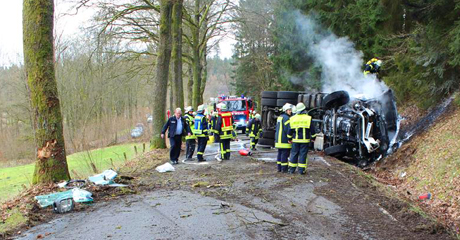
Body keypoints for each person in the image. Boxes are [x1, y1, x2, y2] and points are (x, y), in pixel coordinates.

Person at [287, 103, 312, 175]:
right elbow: (312, 130)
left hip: (295, 140)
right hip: (305, 141)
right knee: (303, 155)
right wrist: (313, 138)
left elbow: (290, 130)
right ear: (304, 110)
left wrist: (289, 139)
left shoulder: (292, 118)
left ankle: (291, 170)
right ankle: (301, 170)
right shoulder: (308, 118)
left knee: (294, 154)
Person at [275, 104, 293, 173]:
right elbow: (288, 129)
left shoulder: (280, 117)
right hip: (284, 139)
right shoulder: (286, 118)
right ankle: (284, 169)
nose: (290, 111)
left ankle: (279, 168)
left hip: (278, 139)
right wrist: (290, 138)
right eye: (289, 110)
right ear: (285, 110)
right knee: (284, 154)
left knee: (280, 153)